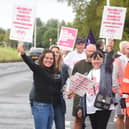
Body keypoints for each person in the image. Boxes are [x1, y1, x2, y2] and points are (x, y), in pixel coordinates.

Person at [17, 42, 62, 129]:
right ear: (42, 58)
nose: (49, 60)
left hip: (50, 106)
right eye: (46, 58)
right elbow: (29, 61)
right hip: (40, 106)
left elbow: (56, 88)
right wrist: (22, 52)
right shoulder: (38, 69)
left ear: (54, 60)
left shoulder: (54, 71)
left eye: (51, 59)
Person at [71, 44, 96, 129]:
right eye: (89, 51)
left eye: (93, 51)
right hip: (80, 97)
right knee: (78, 121)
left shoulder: (99, 64)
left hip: (94, 98)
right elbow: (73, 81)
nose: (91, 53)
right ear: (85, 51)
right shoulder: (78, 64)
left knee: (96, 122)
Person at [49, 45, 69, 129]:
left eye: (57, 52)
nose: (55, 54)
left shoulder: (64, 67)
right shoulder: (45, 67)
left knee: (61, 127)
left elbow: (69, 81)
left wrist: (68, 89)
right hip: (46, 102)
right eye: (53, 52)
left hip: (58, 102)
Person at [112, 41, 129, 129]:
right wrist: (118, 91)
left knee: (128, 116)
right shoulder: (118, 61)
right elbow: (114, 77)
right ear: (122, 50)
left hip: (128, 92)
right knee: (120, 115)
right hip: (121, 92)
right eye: (128, 48)